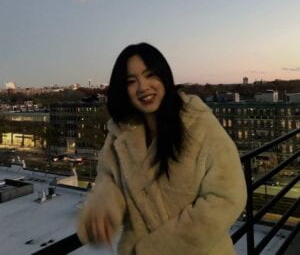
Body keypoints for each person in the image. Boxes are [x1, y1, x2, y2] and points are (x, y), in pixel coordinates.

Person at [77, 43, 247, 255]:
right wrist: (102, 209)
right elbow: (108, 180)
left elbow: (227, 197)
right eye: (131, 81)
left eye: (150, 75)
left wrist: (157, 249)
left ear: (164, 76)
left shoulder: (199, 124)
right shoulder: (119, 136)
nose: (143, 87)